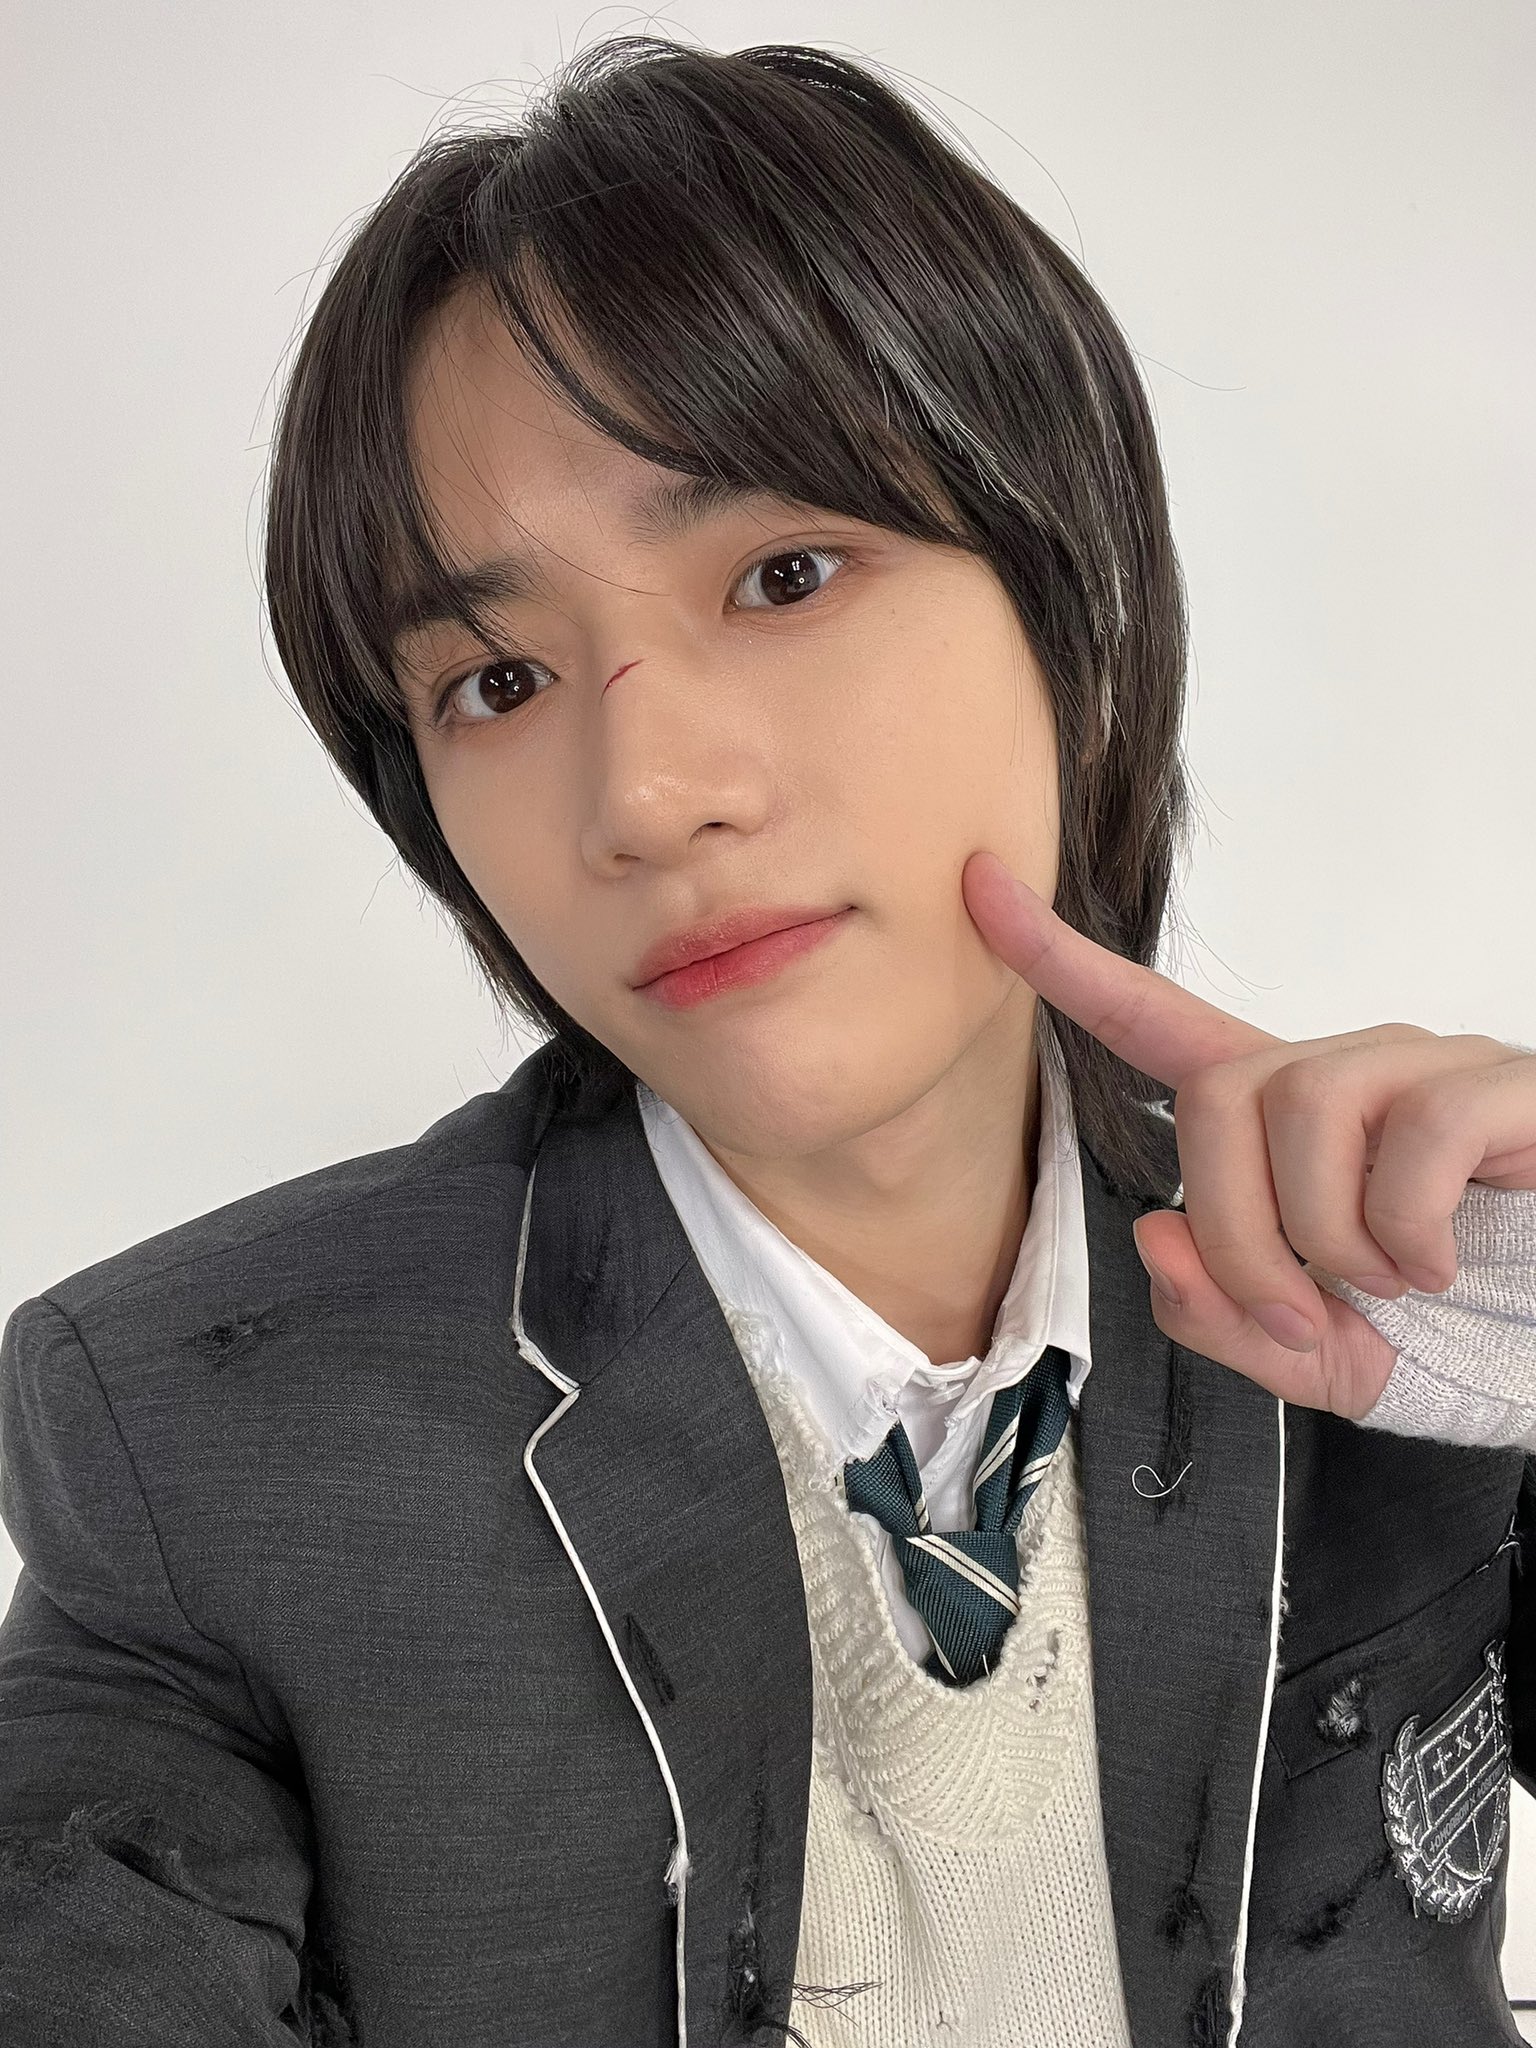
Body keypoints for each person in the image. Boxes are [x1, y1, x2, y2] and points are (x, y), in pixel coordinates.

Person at [2, 33, 1533, 2048]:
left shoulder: (1415, 1278)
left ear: (1070, 613)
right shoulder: (205, 1436)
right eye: (497, 682)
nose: (646, 795)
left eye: (785, 574)